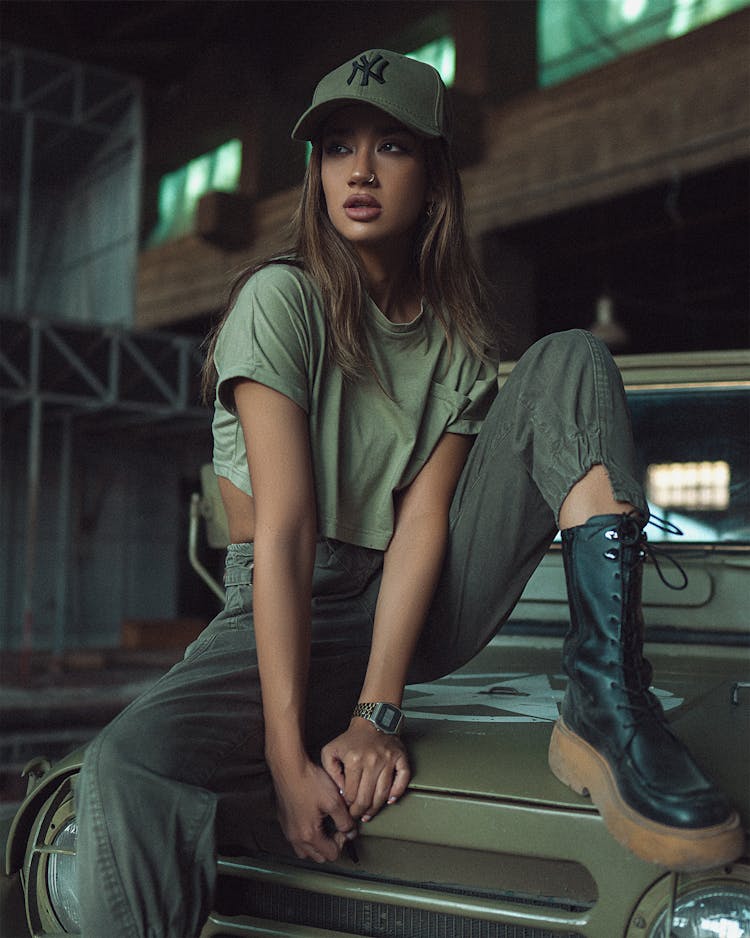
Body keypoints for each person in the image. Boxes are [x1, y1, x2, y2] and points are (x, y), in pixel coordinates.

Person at [76, 49, 743, 938]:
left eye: (390, 146)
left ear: (432, 177)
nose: (358, 170)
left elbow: (425, 526)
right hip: (286, 605)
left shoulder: (459, 348)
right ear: (314, 173)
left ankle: (605, 701)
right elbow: (283, 533)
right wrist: (287, 762)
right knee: (126, 766)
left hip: (416, 603)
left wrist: (377, 716)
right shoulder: (283, 301)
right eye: (335, 148)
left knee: (569, 360)